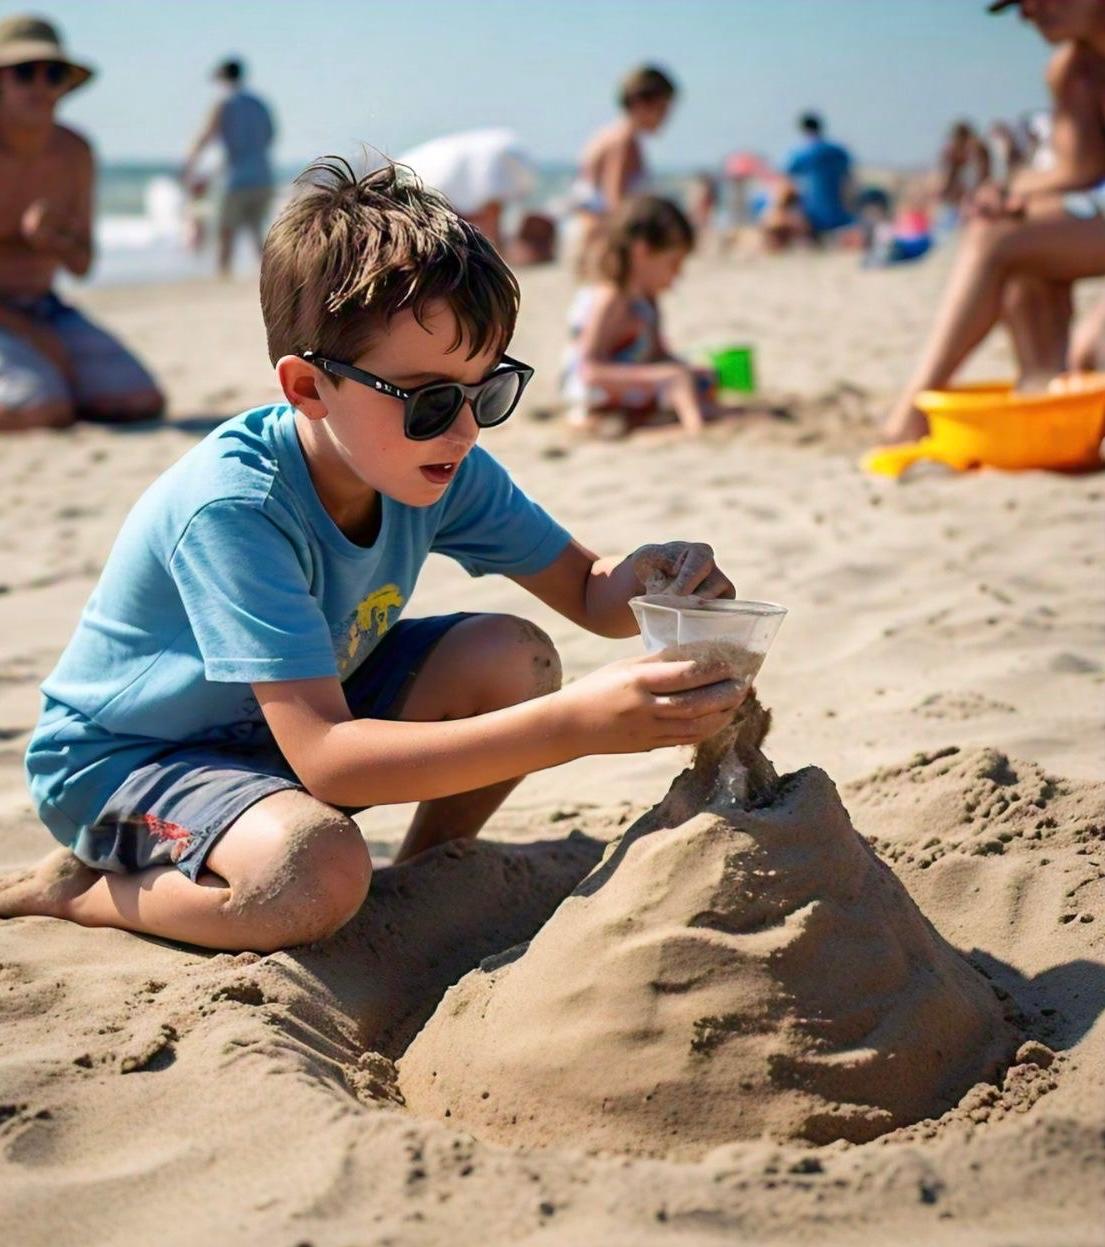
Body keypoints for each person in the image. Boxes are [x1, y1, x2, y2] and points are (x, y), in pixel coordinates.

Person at [1, 159, 747, 952]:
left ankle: (424, 874)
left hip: (282, 732)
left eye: (484, 392)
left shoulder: (435, 462)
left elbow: (590, 597)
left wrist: (655, 578)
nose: (463, 431)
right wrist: (574, 727)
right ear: (308, 389)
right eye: (429, 401)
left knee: (513, 658)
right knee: (310, 876)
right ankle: (83, 892)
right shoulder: (236, 508)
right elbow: (328, 762)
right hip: (130, 762)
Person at [882, 0, 1105, 442]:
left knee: (998, 241)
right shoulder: (1073, 70)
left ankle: (912, 410)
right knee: (1013, 253)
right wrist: (1009, 194)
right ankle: (1045, 401)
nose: (1028, 13)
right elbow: (1078, 169)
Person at [0, 15, 164, 432]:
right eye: (25, 73)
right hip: (15, 320)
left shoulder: (74, 152)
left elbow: (82, 265)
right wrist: (33, 338)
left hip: (46, 307)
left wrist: (56, 238)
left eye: (52, 74)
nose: (41, 86)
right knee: (43, 410)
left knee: (141, 400)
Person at [562, 195, 716, 437]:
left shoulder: (647, 301)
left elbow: (657, 354)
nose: (678, 274)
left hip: (629, 386)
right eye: (673, 263)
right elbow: (588, 370)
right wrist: (668, 376)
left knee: (697, 379)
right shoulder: (612, 297)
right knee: (676, 380)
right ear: (641, 251)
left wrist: (688, 370)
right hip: (594, 392)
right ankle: (695, 428)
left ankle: (687, 417)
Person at [397, 127, 555, 265]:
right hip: (431, 178)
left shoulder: (494, 154)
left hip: (425, 177)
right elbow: (490, 217)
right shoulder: (498, 157)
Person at [182, 57, 275, 277]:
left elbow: (206, 135)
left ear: (221, 78)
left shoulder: (223, 103)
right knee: (256, 232)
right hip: (262, 174)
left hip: (234, 178)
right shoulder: (259, 103)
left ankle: (224, 276)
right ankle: (268, 280)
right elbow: (270, 135)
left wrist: (189, 164)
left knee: (226, 232)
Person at [575, 65, 678, 228]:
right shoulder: (623, 140)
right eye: (662, 108)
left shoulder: (616, 135)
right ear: (640, 103)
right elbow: (614, 203)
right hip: (598, 235)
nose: (666, 117)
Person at [782, 112, 854, 238]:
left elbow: (786, 174)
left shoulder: (801, 153)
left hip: (813, 216)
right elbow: (849, 176)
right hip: (840, 214)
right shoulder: (837, 151)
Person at [935, 120, 992, 214]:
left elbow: (983, 174)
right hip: (959, 199)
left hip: (973, 195)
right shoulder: (953, 155)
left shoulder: (977, 150)